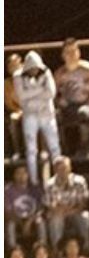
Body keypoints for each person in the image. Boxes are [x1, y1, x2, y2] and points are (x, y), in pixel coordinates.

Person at [12, 51, 61, 185]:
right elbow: (21, 96)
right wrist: (40, 91)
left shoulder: (46, 72)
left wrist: (31, 95)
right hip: (30, 115)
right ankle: (33, 180)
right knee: (31, 149)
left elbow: (51, 93)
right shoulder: (18, 76)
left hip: (47, 114)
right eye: (32, 68)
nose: (34, 71)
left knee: (54, 146)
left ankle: (59, 177)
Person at [53, 39, 89, 159]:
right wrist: (59, 101)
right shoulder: (60, 73)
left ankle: (84, 145)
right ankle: (62, 147)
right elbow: (53, 92)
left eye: (74, 51)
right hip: (67, 104)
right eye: (68, 52)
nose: (71, 55)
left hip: (85, 103)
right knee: (55, 116)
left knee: (84, 113)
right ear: (63, 55)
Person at [43, 156, 89, 252]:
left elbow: (83, 202)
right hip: (59, 213)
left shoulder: (80, 181)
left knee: (85, 217)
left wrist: (71, 210)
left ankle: (86, 249)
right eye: (59, 169)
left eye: (65, 168)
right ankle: (57, 251)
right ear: (55, 170)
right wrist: (62, 211)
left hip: (76, 211)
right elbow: (51, 206)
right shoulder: (49, 185)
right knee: (55, 220)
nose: (63, 171)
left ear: (70, 168)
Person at [6, 166, 46, 250]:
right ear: (14, 175)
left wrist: (29, 222)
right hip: (16, 218)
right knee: (10, 224)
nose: (21, 175)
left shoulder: (35, 188)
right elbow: (8, 211)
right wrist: (21, 223)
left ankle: (42, 249)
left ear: (28, 175)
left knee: (40, 221)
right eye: (18, 173)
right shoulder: (8, 190)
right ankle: (12, 251)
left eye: (24, 173)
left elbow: (40, 208)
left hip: (33, 217)